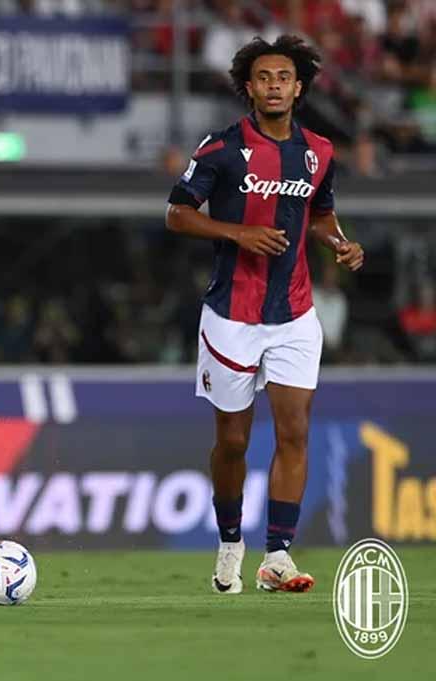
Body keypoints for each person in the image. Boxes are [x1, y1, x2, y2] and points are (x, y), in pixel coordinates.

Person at [166, 36, 365, 594]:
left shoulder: (320, 152)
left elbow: (320, 215)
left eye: (284, 77)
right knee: (233, 441)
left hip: (295, 313)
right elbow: (176, 215)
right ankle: (231, 539)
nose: (274, 85)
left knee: (296, 432)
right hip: (232, 314)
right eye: (264, 77)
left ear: (298, 88)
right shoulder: (222, 149)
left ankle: (277, 555)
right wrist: (237, 232)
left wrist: (341, 243)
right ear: (248, 88)